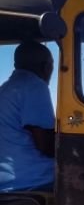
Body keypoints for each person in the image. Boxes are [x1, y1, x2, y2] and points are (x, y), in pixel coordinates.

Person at [0, 42, 56, 192]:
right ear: (46, 67)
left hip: (7, 183)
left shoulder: (5, 89)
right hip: (32, 182)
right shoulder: (34, 86)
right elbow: (45, 145)